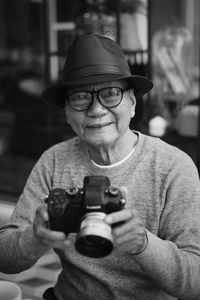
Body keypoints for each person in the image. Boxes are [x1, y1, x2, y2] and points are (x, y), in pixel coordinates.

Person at [0, 34, 200, 300]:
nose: (96, 110)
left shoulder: (173, 167)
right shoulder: (54, 161)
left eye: (111, 94)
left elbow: (195, 282)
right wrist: (36, 237)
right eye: (80, 97)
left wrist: (142, 243)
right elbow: (5, 258)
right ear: (67, 113)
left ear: (132, 104)